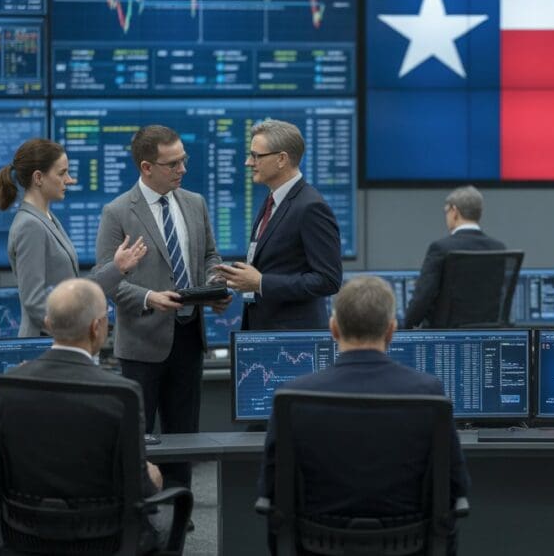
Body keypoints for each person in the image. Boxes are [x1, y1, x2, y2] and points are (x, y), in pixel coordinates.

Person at [259, 276, 470, 553]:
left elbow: (269, 489)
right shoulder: (429, 392)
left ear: (333, 329)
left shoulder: (292, 396)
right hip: (409, 546)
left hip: (315, 546)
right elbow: (457, 487)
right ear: (391, 331)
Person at [0, 279, 171, 549]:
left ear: (47, 322)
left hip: (23, 535)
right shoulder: (121, 393)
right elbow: (143, 489)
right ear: (96, 327)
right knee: (164, 514)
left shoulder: (10, 384)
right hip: (103, 540)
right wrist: (154, 475)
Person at [95, 125, 227, 489]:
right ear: (146, 167)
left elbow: (210, 256)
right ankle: (142, 512)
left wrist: (213, 286)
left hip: (188, 336)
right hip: (141, 342)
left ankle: (178, 510)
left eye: (184, 159)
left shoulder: (195, 202)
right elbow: (107, 279)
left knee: (185, 435)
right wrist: (148, 298)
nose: (182, 169)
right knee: (139, 436)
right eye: (173, 164)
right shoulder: (118, 212)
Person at [0, 138, 147, 337]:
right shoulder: (30, 226)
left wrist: (116, 268)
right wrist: (73, 336)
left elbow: (73, 291)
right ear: (38, 177)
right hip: (48, 345)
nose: (70, 180)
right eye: (62, 173)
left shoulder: (47, 219)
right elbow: (34, 302)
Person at [217, 119, 342, 330]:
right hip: (263, 330)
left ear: (281, 159)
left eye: (256, 156)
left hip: (292, 340)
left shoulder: (310, 207)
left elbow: (328, 280)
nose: (248, 162)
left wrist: (261, 283)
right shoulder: (272, 200)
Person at [404, 185, 506, 326]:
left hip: (447, 337)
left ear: (454, 211)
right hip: (488, 337)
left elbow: (423, 298)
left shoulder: (441, 248)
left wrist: (404, 328)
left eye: (446, 212)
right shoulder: (498, 249)